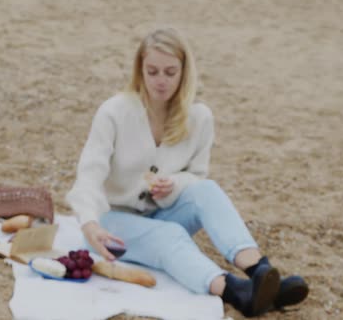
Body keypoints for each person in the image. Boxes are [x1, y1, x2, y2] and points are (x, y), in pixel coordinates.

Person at [65, 27, 308, 317]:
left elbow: (197, 176)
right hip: (111, 224)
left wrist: (175, 184)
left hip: (161, 210)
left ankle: (259, 272)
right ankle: (235, 291)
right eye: (152, 71)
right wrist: (90, 225)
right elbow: (88, 176)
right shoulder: (114, 112)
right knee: (168, 235)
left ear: (184, 72)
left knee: (207, 191)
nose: (161, 81)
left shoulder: (199, 116)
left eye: (170, 72)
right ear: (139, 70)